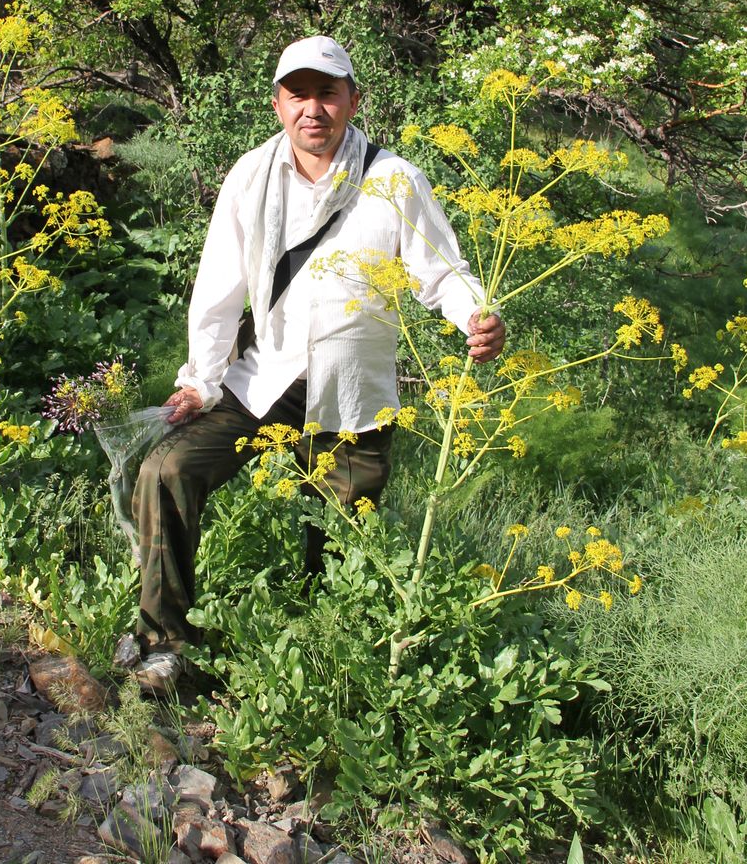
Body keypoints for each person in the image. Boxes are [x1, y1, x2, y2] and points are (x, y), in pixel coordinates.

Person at [122, 35, 506, 692]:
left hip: (353, 393)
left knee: (336, 544)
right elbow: (218, 289)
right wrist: (198, 381)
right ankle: (167, 644)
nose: (313, 109)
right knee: (165, 470)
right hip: (262, 382)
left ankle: (315, 675)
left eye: (328, 93)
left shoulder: (394, 181)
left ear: (353, 101)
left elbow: (444, 275)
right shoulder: (250, 176)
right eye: (298, 94)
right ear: (277, 104)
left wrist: (478, 317)